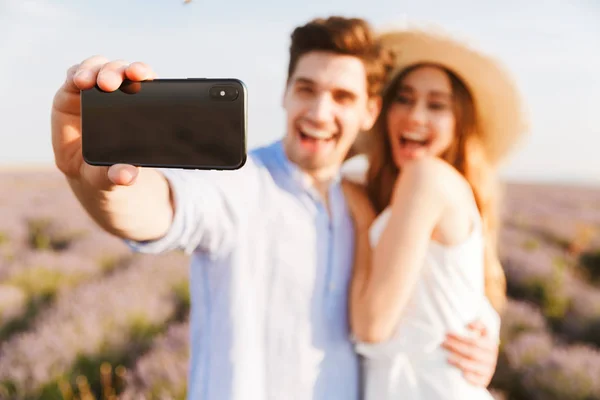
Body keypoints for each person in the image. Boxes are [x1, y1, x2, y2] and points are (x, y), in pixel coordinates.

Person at [50, 16, 502, 400]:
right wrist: (96, 182)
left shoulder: (365, 195)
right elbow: (159, 208)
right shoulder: (242, 182)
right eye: (307, 89)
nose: (320, 112)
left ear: (369, 112)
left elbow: (461, 273)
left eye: (343, 97)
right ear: (285, 94)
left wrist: (486, 327)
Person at [340, 26, 528, 399]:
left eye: (437, 105)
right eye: (404, 99)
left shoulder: (426, 177)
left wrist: (363, 223)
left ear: (460, 124)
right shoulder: (399, 187)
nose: (415, 116)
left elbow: (371, 326)